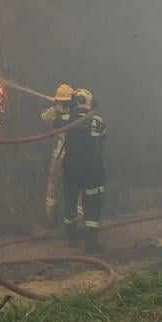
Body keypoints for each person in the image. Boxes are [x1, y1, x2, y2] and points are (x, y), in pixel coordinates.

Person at [62, 89, 107, 252]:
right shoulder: (98, 121)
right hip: (92, 171)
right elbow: (103, 137)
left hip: (71, 169)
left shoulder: (66, 120)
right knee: (93, 204)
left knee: (70, 202)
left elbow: (46, 119)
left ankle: (71, 239)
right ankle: (91, 243)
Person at [41, 83, 74, 227]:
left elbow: (44, 117)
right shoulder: (77, 115)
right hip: (73, 157)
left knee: (53, 186)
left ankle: (52, 219)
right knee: (70, 188)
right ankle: (64, 219)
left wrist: (55, 108)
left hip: (61, 157)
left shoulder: (60, 118)